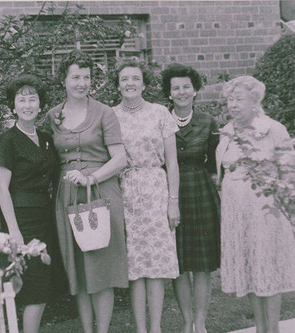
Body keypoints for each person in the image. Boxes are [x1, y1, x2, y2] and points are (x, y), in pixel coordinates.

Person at [46, 50, 128, 333]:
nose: (81, 82)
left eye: (86, 77)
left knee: (101, 268)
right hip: (67, 196)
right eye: (75, 77)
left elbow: (120, 159)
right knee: (78, 270)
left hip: (102, 193)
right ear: (64, 80)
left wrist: (91, 177)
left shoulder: (105, 112)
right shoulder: (53, 116)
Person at [216, 76, 295, 333]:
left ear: (255, 101)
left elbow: (288, 171)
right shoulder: (228, 131)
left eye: (239, 99)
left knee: (267, 268)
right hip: (236, 212)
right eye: (230, 100)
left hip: (265, 212)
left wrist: (289, 207)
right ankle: (260, 327)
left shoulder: (272, 128)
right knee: (250, 269)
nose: (233, 105)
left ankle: (273, 328)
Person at [113, 57, 180, 333]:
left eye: (135, 78)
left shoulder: (160, 113)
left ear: (144, 83)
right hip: (124, 190)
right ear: (118, 86)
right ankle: (140, 329)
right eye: (124, 79)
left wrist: (172, 201)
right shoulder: (110, 115)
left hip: (155, 188)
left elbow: (172, 162)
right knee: (134, 264)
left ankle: (156, 328)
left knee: (156, 264)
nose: (130, 83)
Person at [0, 75, 61, 333]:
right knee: (34, 286)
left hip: (45, 218)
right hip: (22, 219)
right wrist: (13, 229)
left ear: (40, 105)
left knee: (43, 284)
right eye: (21, 99)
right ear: (13, 107)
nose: (27, 104)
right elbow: (2, 187)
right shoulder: (8, 140)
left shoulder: (45, 138)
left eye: (33, 98)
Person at [160, 63, 220, 333]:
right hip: (171, 194)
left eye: (187, 86)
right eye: (176, 88)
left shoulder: (208, 121)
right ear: (169, 94)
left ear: (195, 90)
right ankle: (186, 323)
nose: (182, 92)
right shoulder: (161, 119)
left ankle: (202, 323)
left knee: (203, 264)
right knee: (180, 263)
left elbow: (215, 164)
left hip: (201, 193)